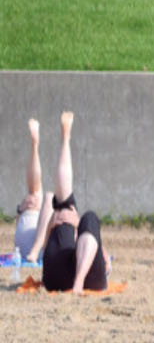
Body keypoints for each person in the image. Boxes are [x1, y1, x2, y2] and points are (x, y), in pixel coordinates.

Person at [31, 110, 108, 294]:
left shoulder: (84, 230)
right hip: (64, 275)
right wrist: (54, 223)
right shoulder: (67, 225)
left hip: (77, 276)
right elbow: (45, 245)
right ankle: (66, 138)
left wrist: (79, 223)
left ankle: (66, 139)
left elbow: (101, 252)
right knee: (65, 212)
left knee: (88, 218)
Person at [14, 112, 44, 262]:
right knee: (36, 195)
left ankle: (35, 145)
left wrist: (22, 209)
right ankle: (35, 145)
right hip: (31, 246)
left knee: (35, 194)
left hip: (25, 245)